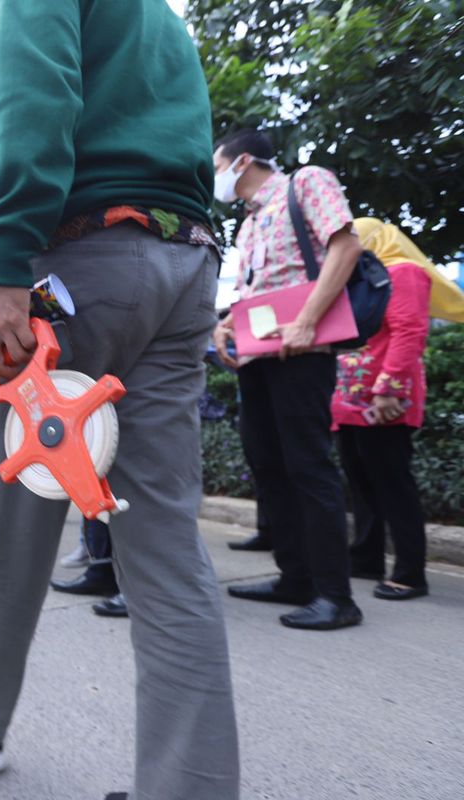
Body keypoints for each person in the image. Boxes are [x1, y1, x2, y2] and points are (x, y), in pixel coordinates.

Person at [0, 5, 239, 798]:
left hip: (81, 268)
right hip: (184, 268)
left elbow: (36, 99)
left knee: (11, 511)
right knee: (167, 545)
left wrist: (7, 257)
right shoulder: (162, 20)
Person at [213, 129, 365, 632]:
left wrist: (306, 321)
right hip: (259, 356)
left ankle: (336, 595)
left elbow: (345, 247)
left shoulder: (306, 183)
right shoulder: (249, 224)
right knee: (268, 464)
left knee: (308, 466)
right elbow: (258, 287)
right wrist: (227, 324)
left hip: (304, 349)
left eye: (219, 165)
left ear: (244, 161)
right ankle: (294, 576)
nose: (216, 177)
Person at [334, 218, 443, 601]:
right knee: (360, 480)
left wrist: (389, 388)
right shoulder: (356, 276)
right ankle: (366, 557)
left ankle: (411, 573)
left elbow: (410, 331)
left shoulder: (405, 272)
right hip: (350, 398)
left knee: (392, 483)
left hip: (384, 396)